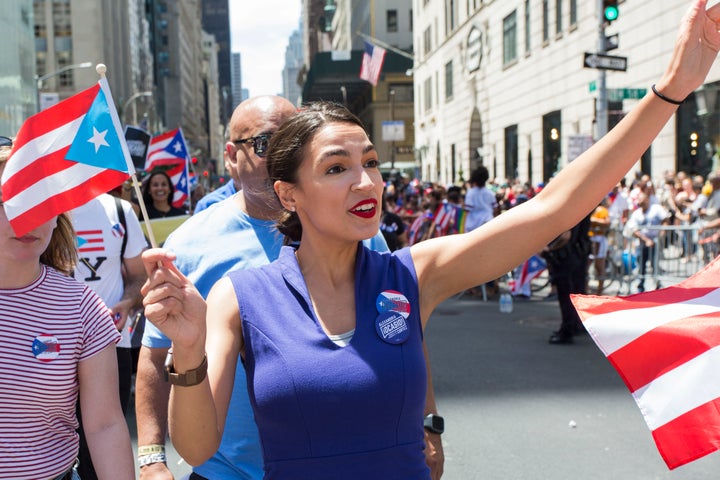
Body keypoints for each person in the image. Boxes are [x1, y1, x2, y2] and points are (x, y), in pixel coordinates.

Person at [141, 3, 720, 476]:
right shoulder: (237, 297)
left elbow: (552, 208)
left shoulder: (411, 273)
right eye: (337, 168)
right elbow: (194, 448)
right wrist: (187, 354)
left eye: (370, 162)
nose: (366, 181)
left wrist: (669, 91)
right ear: (290, 194)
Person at [134, 95, 445, 479]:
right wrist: (151, 457)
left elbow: (402, 328)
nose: (286, 150)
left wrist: (429, 422)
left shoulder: (362, 232)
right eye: (267, 143)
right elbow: (155, 356)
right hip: (226, 469)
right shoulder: (189, 246)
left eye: (297, 138)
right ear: (232, 156)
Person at [0, 144, 134, 479]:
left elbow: (105, 425)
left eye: (42, 203)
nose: (29, 218)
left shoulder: (83, 307)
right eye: (12, 203)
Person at [70, 192, 148, 479]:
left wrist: (128, 302)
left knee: (99, 450)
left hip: (112, 345)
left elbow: (140, 277)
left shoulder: (119, 210)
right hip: (56, 349)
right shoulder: (45, 203)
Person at [543, 214, 592, 344]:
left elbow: (565, 236)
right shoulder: (585, 206)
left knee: (566, 294)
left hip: (566, 255)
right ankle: (576, 325)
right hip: (579, 252)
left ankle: (567, 330)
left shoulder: (571, 209)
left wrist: (549, 248)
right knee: (577, 291)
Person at [625, 191, 670, 292]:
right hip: (642, 243)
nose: (640, 202)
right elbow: (634, 229)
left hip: (655, 241)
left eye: (642, 200)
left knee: (655, 264)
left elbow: (665, 220)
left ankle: (658, 285)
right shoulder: (637, 213)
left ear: (647, 200)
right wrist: (646, 240)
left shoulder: (656, 209)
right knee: (641, 264)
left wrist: (661, 234)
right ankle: (641, 285)